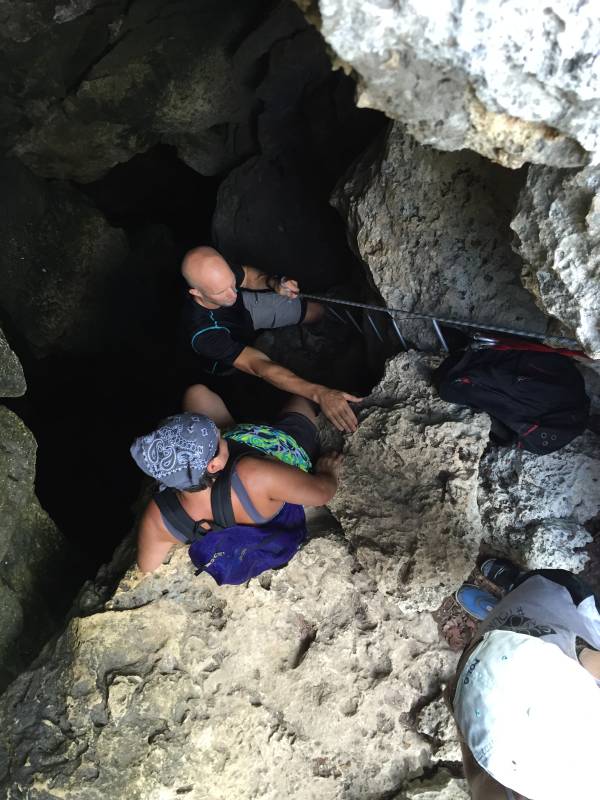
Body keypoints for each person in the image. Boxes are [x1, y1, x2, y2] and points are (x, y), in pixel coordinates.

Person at [130, 384, 342, 572]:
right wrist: (328, 472)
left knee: (196, 394)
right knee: (301, 399)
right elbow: (322, 493)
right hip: (278, 447)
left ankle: (223, 434)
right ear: (214, 465)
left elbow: (147, 565)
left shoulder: (158, 515)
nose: (222, 436)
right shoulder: (253, 475)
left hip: (234, 464)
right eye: (219, 438)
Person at [448, 558, 600, 799]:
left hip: (533, 654)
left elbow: (479, 782)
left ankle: (504, 617)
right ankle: (515, 597)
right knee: (555, 597)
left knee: (515, 617)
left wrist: (461, 717)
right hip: (559, 658)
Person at [180, 246, 361, 433]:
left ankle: (348, 322)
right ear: (197, 293)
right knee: (246, 392)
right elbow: (258, 365)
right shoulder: (203, 334)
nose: (233, 292)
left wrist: (273, 283)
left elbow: (249, 277)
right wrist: (319, 393)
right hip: (226, 365)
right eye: (221, 291)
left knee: (316, 311)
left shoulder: (221, 276)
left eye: (232, 283)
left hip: (245, 311)